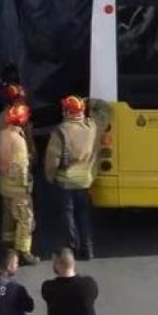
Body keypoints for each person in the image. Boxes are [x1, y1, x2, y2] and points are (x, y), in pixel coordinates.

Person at [44, 95, 99, 259]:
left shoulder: (61, 131)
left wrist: (50, 176)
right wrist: (88, 100)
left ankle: (72, 249)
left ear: (67, 111)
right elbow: (104, 109)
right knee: (84, 216)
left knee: (68, 216)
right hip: (85, 181)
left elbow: (52, 159)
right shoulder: (92, 126)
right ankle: (88, 249)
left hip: (66, 182)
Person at [0, 103, 37, 264]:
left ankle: (7, 246)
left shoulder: (2, 133)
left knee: (8, 217)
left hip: (4, 184)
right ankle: (24, 251)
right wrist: (26, 187)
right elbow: (22, 167)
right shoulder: (19, 141)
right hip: (17, 188)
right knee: (25, 218)